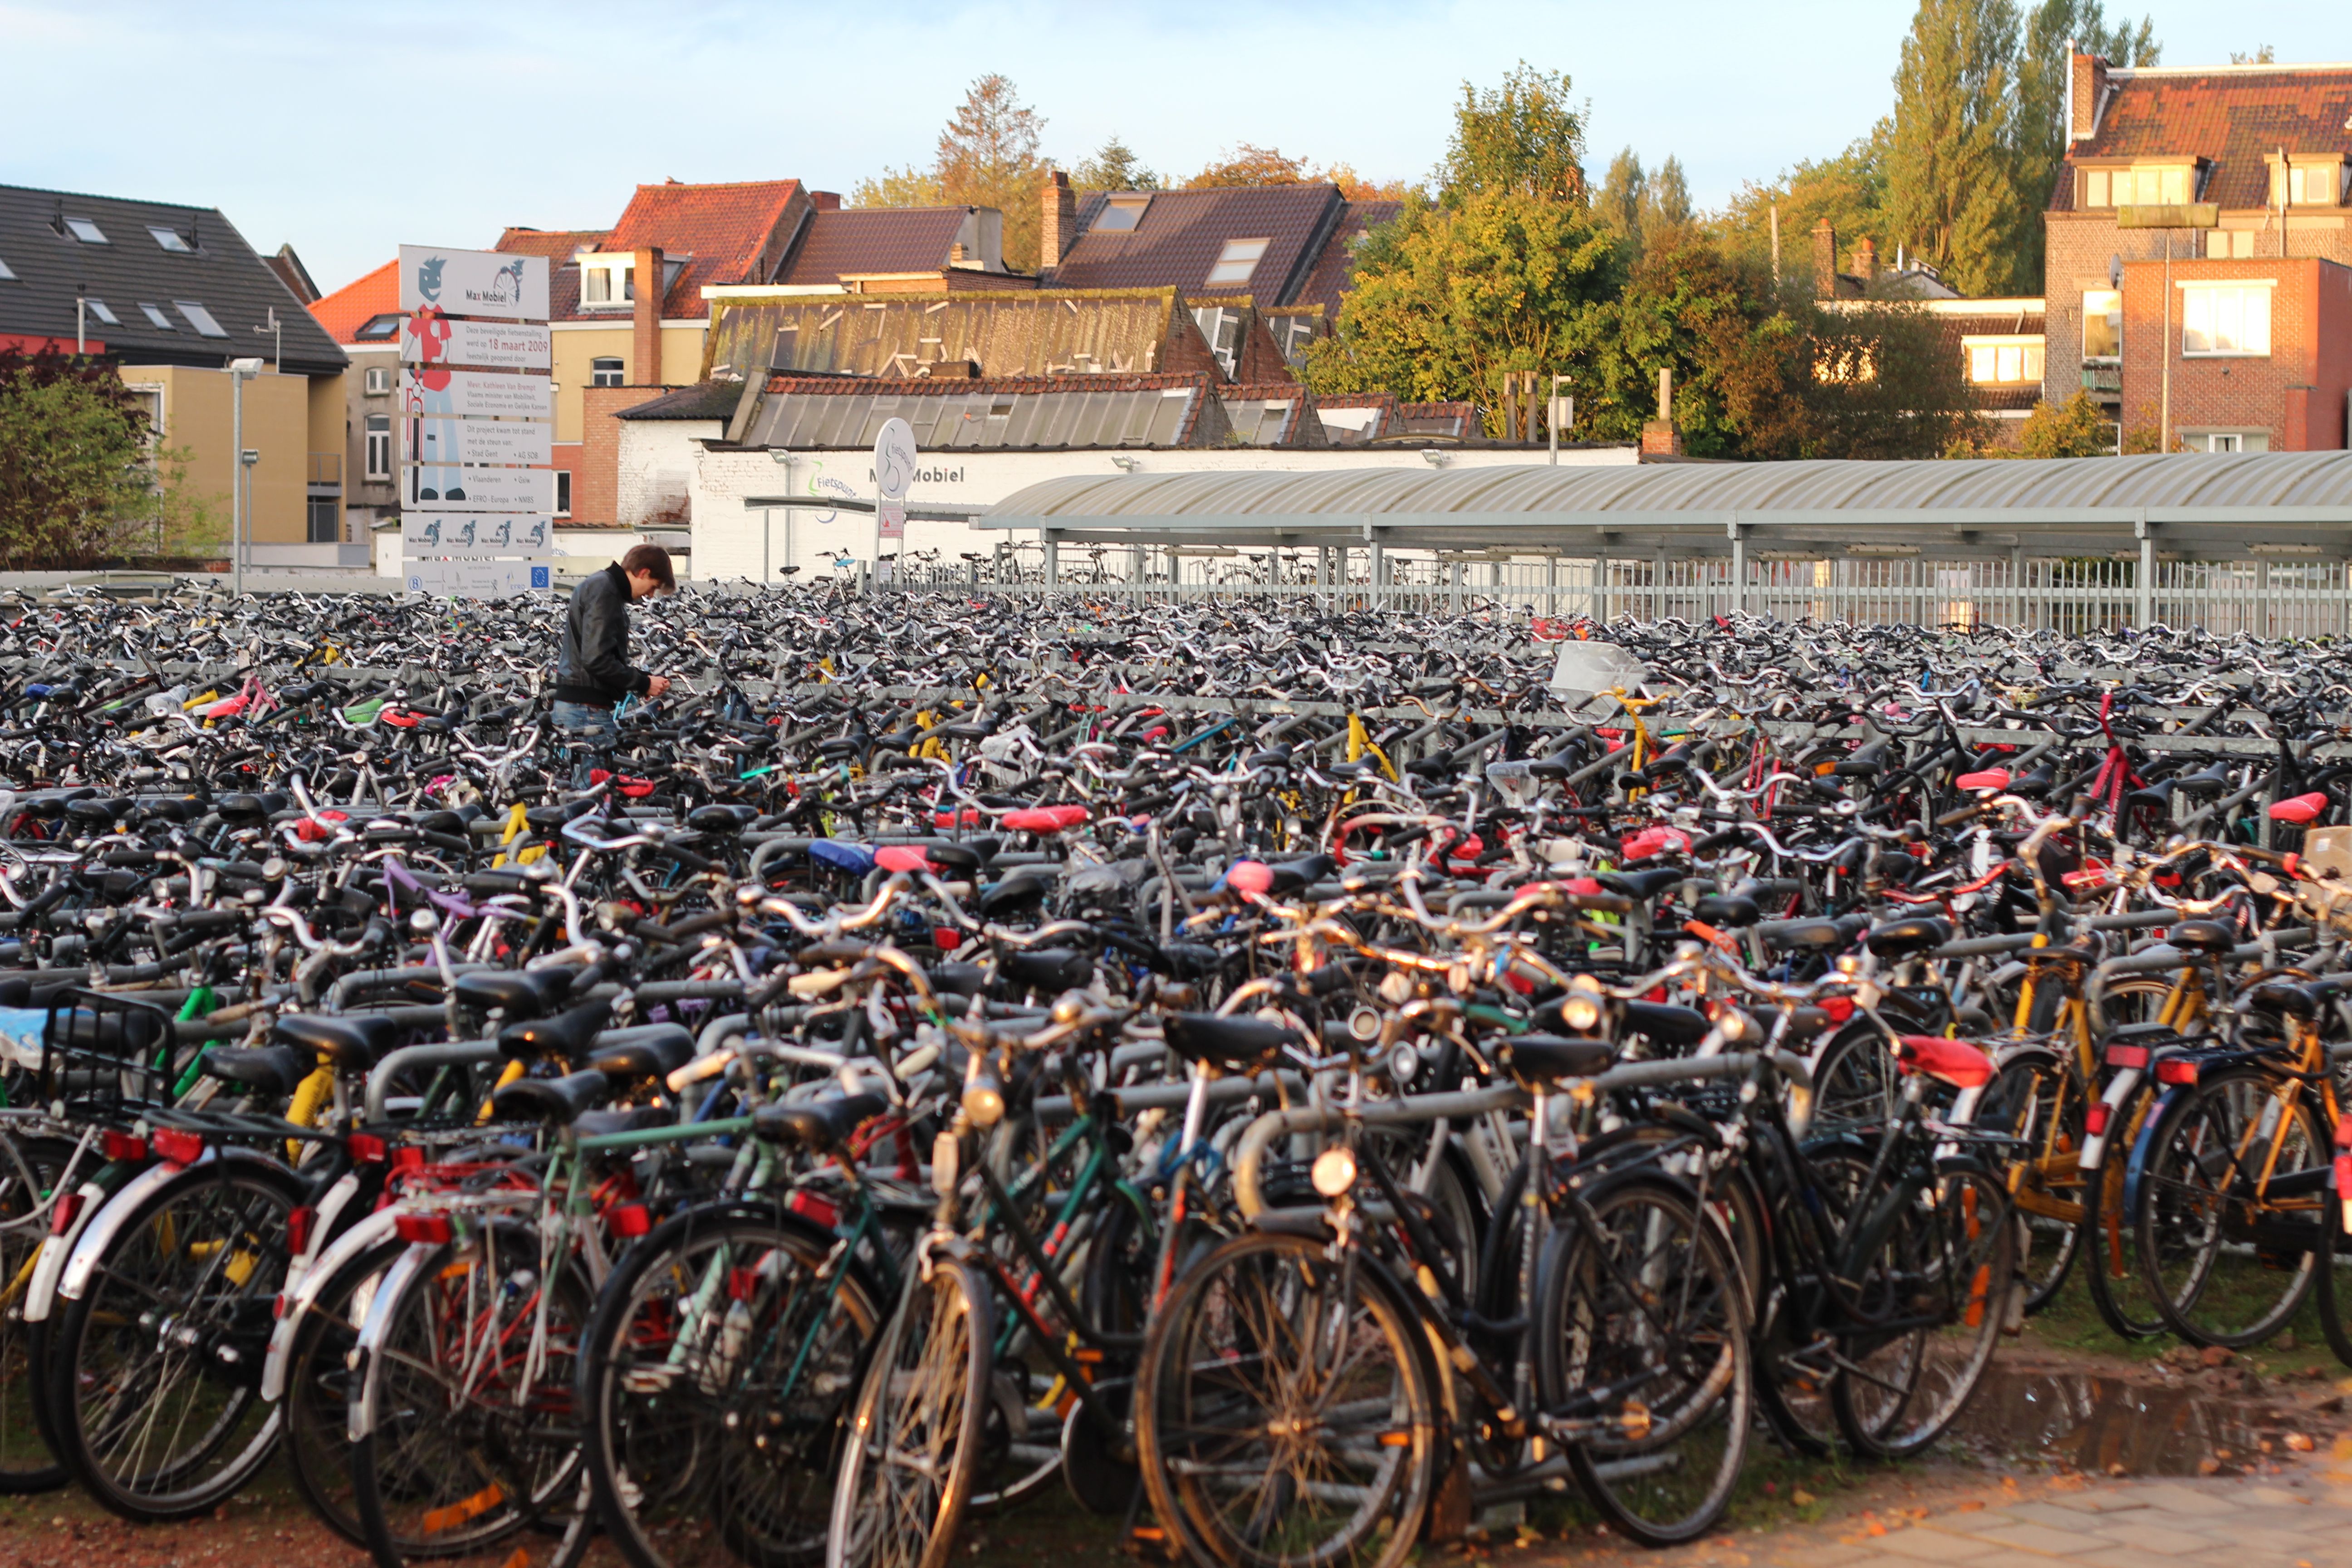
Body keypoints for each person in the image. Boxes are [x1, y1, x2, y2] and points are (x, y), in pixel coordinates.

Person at [553, 544, 674, 737]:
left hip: (579, 705)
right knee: (598, 768)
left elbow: (598, 655)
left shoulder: (602, 585)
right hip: (586, 709)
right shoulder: (605, 591)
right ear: (643, 573)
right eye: (654, 587)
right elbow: (597, 660)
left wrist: (643, 679)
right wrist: (643, 683)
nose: (651, 595)